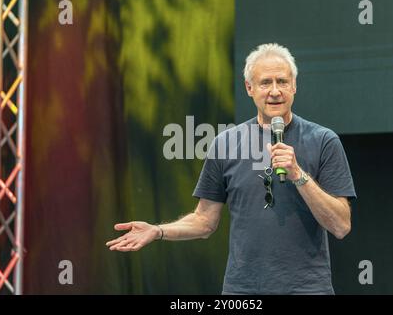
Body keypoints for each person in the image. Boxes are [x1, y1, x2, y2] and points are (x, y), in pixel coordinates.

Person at [106, 43, 356, 295]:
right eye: (265, 83)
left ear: (294, 86)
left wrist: (298, 176)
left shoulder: (324, 141)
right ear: (249, 88)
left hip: (307, 289)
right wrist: (158, 231)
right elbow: (204, 221)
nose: (275, 91)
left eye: (282, 81)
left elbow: (341, 226)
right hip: (243, 291)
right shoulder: (225, 143)